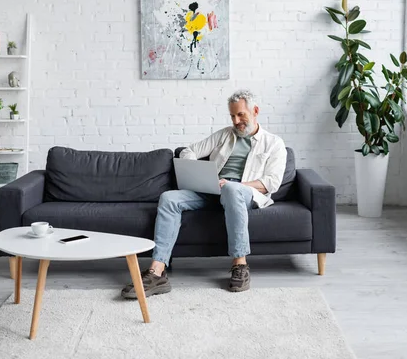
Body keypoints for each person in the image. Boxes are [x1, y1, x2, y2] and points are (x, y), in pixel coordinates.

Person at [121, 90, 287, 298]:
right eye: (232, 116)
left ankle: (240, 265)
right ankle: (157, 271)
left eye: (241, 115)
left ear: (255, 111)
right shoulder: (225, 135)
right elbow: (187, 151)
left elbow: (271, 183)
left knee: (231, 188)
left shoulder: (274, 143)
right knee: (169, 198)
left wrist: (235, 184)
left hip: (243, 192)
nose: (236, 121)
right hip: (212, 190)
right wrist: (201, 174)